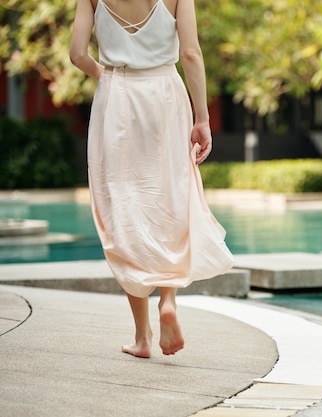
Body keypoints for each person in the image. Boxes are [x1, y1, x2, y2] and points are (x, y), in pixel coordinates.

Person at [69, 0, 234, 358]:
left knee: (124, 208)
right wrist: (202, 118)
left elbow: (77, 54)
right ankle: (168, 300)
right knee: (170, 198)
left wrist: (107, 77)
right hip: (165, 93)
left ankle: (142, 338)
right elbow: (190, 53)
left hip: (116, 97)